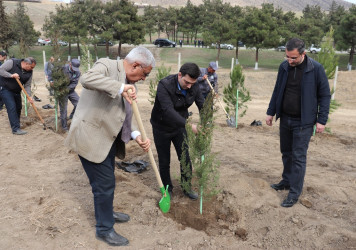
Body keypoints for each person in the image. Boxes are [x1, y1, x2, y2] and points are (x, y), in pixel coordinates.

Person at [64, 46, 154, 246]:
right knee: (104, 184)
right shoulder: (106, 65)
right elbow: (86, 79)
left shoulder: (131, 86)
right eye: (144, 74)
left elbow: (125, 116)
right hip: (91, 136)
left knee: (106, 182)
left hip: (108, 139)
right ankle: (104, 229)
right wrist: (121, 88)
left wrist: (136, 134)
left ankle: (107, 212)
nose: (143, 79)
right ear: (136, 65)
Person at [266, 38, 330, 207]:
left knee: (298, 158)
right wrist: (270, 112)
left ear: (303, 53)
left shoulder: (316, 69)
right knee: (286, 153)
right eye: (287, 56)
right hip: (285, 118)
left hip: (304, 122)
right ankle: (286, 181)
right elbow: (277, 89)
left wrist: (321, 120)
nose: (289, 60)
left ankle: (294, 192)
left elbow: (325, 96)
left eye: (293, 57)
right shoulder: (284, 67)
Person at [150, 62, 205, 200]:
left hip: (180, 127)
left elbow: (202, 104)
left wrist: (206, 121)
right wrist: (189, 126)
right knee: (164, 160)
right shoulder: (165, 85)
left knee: (185, 157)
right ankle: (167, 188)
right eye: (186, 82)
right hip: (161, 126)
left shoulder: (194, 85)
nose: (189, 86)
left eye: (192, 83)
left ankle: (186, 187)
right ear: (180, 74)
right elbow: (168, 111)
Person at [0, 57, 36, 135]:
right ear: (26, 64)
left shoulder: (30, 72)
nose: (32, 69)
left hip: (16, 91)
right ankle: (15, 129)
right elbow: (1, 70)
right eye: (31, 67)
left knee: (18, 107)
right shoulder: (12, 63)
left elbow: (27, 85)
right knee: (11, 107)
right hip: (5, 88)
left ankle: (16, 124)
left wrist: (28, 96)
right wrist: (11, 75)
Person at [48, 58, 81, 131]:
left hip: (70, 90)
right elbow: (51, 72)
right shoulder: (62, 68)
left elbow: (74, 83)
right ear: (70, 64)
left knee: (79, 104)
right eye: (73, 68)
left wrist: (66, 89)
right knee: (64, 110)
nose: (74, 70)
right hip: (61, 91)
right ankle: (64, 127)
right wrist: (51, 80)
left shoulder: (78, 72)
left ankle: (72, 116)